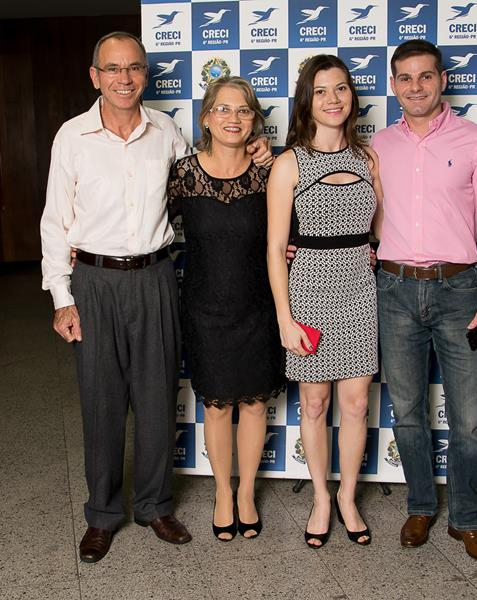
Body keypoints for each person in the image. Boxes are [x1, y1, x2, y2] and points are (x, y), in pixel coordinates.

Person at [40, 31, 271, 563]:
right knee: (101, 401)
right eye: (113, 69)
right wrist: (61, 298)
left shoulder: (166, 132)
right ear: (95, 77)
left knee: (157, 398)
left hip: (157, 276)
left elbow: (211, 177)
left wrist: (256, 149)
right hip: (94, 280)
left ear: (145, 75)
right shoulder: (72, 137)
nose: (124, 78)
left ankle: (155, 506)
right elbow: (54, 221)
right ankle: (102, 515)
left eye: (134, 68)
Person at [371, 40, 477, 564]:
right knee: (408, 411)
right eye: (405, 78)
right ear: (393, 85)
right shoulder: (378, 145)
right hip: (393, 290)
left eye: (425, 76)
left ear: (442, 80)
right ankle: (420, 506)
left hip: (461, 293)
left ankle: (467, 519)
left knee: (470, 416)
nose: (416, 87)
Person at [267, 55, 383, 548]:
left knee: (356, 403)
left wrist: (373, 251)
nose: (333, 99)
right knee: (314, 404)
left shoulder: (368, 159)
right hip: (309, 292)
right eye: (321, 91)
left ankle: (348, 497)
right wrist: (284, 318)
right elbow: (275, 247)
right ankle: (320, 497)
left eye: (341, 88)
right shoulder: (289, 163)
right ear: (306, 101)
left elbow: (381, 229)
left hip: (358, 292)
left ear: (352, 96)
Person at [167, 76, 285, 542]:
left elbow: (292, 234)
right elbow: (145, 225)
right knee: (216, 408)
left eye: (243, 110)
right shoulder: (184, 174)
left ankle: (247, 493)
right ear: (206, 118)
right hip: (204, 308)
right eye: (223, 109)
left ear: (254, 120)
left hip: (258, 307)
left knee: (254, 405)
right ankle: (222, 493)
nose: (232, 118)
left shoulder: (270, 173)